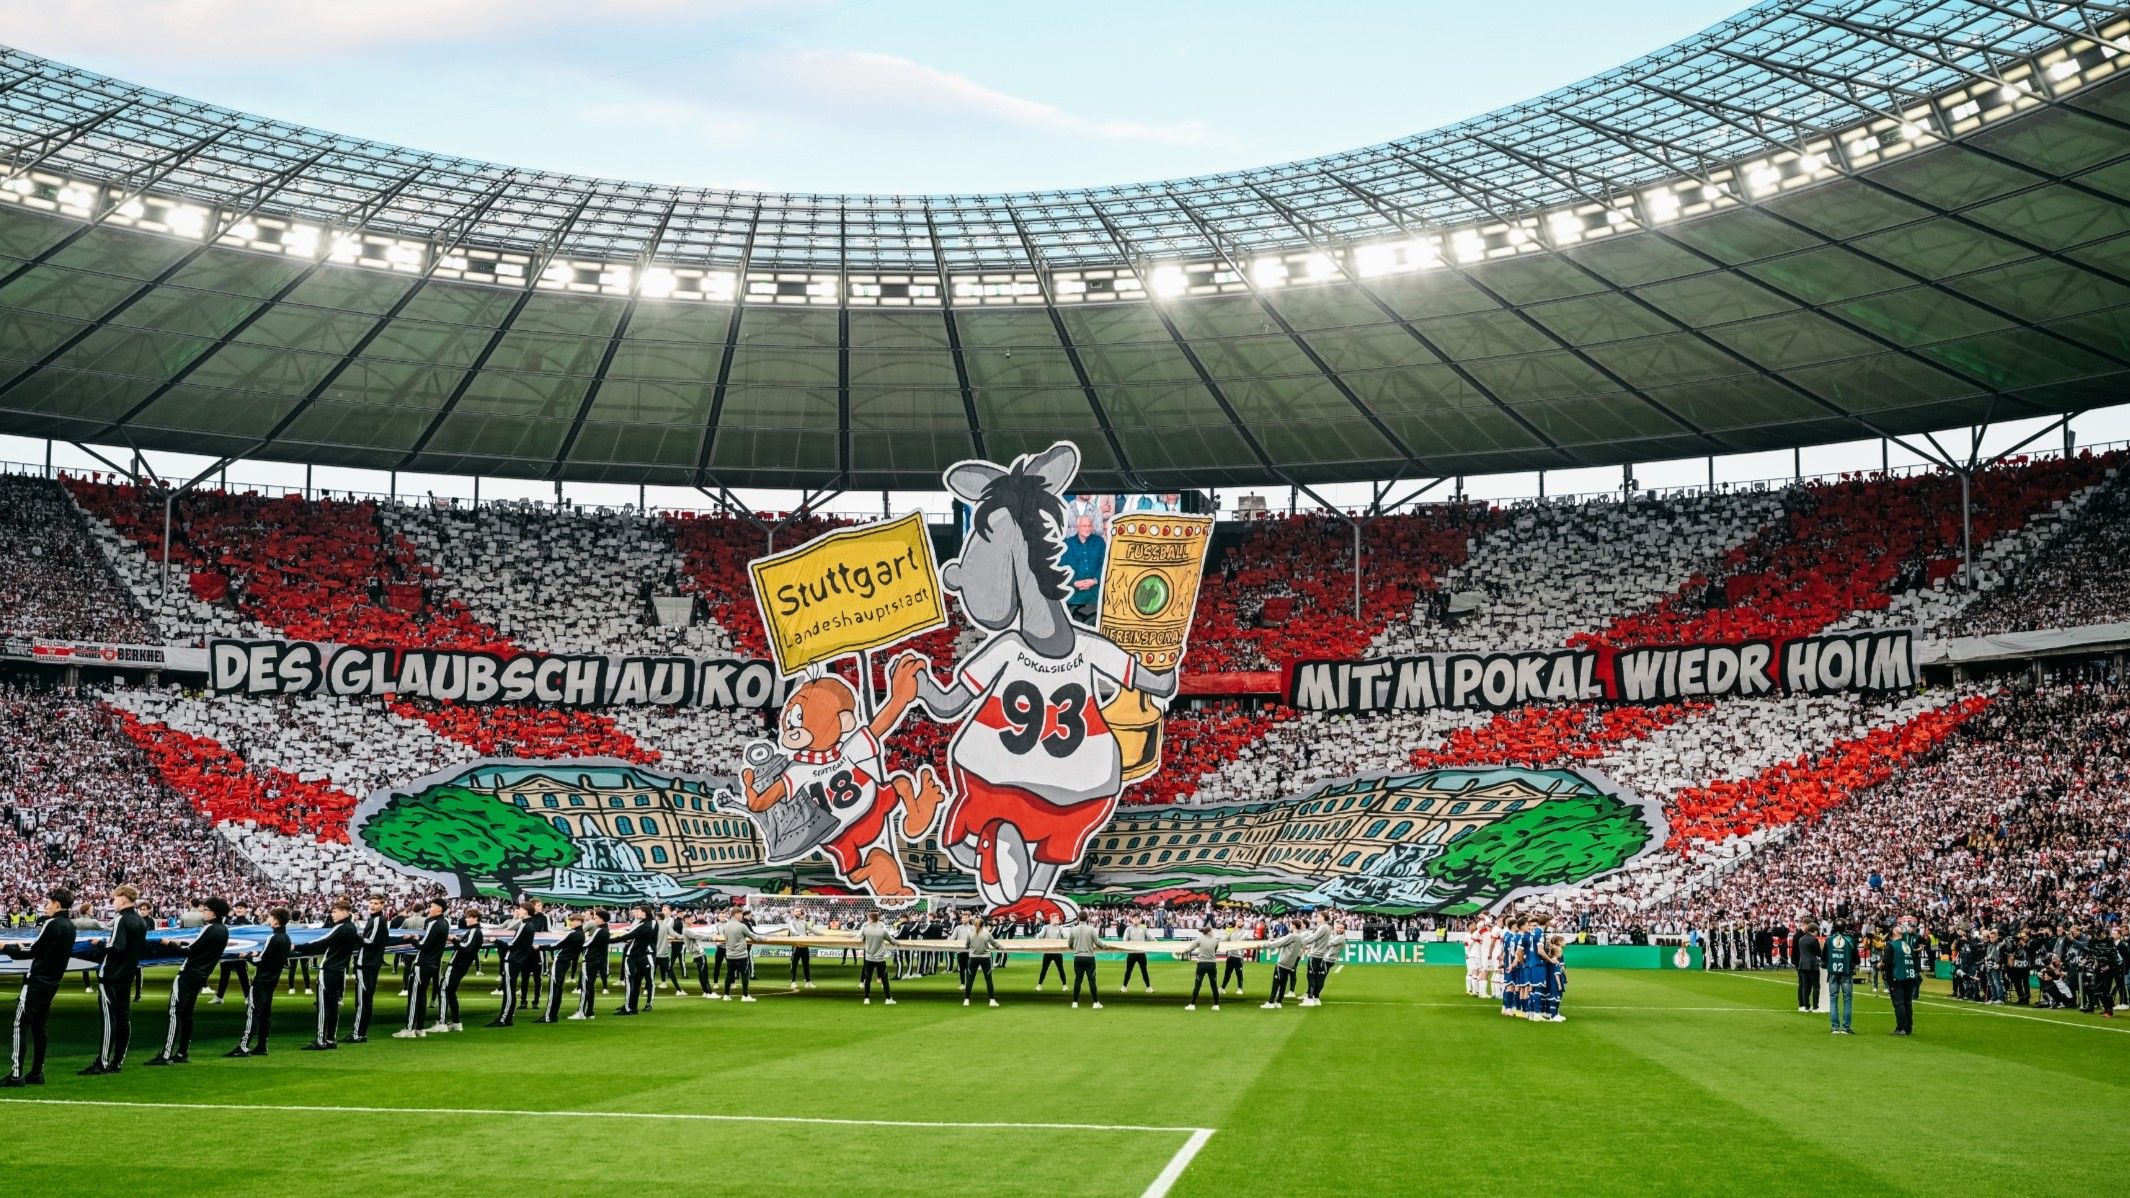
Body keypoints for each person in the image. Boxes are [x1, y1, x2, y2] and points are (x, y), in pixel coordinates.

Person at [1, 886, 74, 1086]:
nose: (46, 907)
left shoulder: (52, 924)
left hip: (37, 982)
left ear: (57, 904)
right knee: (40, 1027)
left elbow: (32, 952)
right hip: (52, 982)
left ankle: (16, 1075)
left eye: (48, 903)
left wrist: (5, 947)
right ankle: (36, 1072)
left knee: (20, 1024)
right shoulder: (70, 925)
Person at [146, 896, 231, 1065]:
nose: (203, 912)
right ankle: (182, 1052)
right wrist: (181, 942)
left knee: (174, 1012)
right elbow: (199, 946)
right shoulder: (223, 930)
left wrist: (170, 943)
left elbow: (190, 952)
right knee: (187, 1015)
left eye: (206, 910)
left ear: (213, 913)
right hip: (201, 976)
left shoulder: (209, 928)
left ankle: (166, 1054)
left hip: (188, 973)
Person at [78, 883, 148, 1076]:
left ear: (123, 898)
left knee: (109, 1020)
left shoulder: (121, 919)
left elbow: (116, 947)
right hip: (127, 974)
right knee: (124, 1018)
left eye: (115, 898)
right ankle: (117, 1061)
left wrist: (99, 944)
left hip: (111, 975)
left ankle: (102, 1062)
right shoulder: (141, 921)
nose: (113, 902)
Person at [291, 898, 362, 1050]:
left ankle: (320, 1040)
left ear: (344, 912)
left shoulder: (341, 927)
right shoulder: (352, 928)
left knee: (323, 1006)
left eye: (335, 912)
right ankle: (330, 1039)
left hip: (329, 970)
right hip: (340, 971)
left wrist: (297, 947)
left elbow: (322, 941)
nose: (332, 915)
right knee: (334, 1006)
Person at [227, 908, 291, 1057]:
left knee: (253, 1012)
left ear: (276, 920)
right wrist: (258, 954)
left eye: (270, 916)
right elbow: (271, 956)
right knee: (265, 1013)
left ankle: (244, 1046)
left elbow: (260, 961)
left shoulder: (272, 937)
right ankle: (262, 1045)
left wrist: (247, 956)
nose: (268, 919)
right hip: (273, 980)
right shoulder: (286, 938)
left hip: (261, 980)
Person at [396, 899, 449, 1039]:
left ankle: (409, 1029)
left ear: (439, 909)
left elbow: (423, 946)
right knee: (422, 996)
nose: (429, 909)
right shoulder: (445, 923)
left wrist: (412, 939)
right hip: (433, 964)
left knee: (413, 997)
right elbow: (431, 942)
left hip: (423, 964)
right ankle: (420, 1028)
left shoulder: (433, 923)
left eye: (431, 906)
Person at [490, 900, 541, 1027]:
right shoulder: (528, 925)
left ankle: (504, 1019)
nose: (518, 911)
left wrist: (496, 940)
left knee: (509, 991)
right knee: (510, 990)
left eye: (520, 909)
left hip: (513, 960)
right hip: (517, 960)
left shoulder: (525, 925)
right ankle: (507, 1018)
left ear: (526, 911)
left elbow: (512, 945)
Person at [350, 895, 391, 1044]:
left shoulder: (377, 920)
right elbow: (384, 940)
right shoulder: (377, 920)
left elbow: (370, 942)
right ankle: (361, 1033)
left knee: (362, 1001)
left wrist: (354, 935)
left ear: (382, 905)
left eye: (375, 903)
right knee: (366, 1000)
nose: (372, 906)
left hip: (366, 964)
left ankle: (357, 1034)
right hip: (372, 964)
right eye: (371, 903)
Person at [537, 913, 587, 1024]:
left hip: (560, 962)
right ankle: (553, 1015)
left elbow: (556, 945)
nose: (571, 923)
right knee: (558, 989)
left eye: (573, 921)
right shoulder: (582, 935)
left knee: (553, 990)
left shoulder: (573, 934)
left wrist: (539, 947)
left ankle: (548, 1016)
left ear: (579, 921)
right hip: (566, 962)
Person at [439, 910, 483, 1033]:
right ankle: (456, 1022)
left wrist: (454, 940)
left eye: (468, 917)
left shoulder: (475, 931)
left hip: (457, 965)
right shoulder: (474, 931)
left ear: (475, 918)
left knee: (443, 989)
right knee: (451, 992)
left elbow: (466, 948)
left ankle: (441, 1023)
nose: (465, 919)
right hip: (461, 966)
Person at [1060, 513, 1105, 620]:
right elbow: (1062, 567)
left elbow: (1104, 564)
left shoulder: (1099, 542)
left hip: (1095, 595)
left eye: (1089, 526)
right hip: (1074, 596)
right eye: (1084, 526)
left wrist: (1095, 580)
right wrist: (1074, 582)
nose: (1087, 528)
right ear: (1077, 527)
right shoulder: (1067, 544)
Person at [615, 903, 656, 1015]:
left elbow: (630, 935)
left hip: (646, 954)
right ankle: (632, 1006)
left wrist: (611, 940)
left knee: (647, 979)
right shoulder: (641, 922)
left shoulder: (649, 923)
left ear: (644, 912)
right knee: (636, 982)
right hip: (642, 953)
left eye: (638, 911)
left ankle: (646, 1004)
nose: (635, 913)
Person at [1884, 917, 1922, 1036]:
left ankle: (1901, 1028)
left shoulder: (1891, 945)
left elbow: (1887, 962)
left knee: (1899, 1004)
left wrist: (1880, 965)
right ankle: (1908, 1027)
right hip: (1909, 978)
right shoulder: (1908, 946)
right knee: (1908, 1003)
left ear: (1894, 933)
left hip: (1897, 977)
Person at [212, 900, 255, 1006]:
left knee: (243, 976)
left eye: (241, 908)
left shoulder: (249, 924)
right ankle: (219, 997)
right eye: (237, 907)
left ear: (246, 910)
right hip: (229, 953)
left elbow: (250, 940)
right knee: (224, 976)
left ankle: (247, 997)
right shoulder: (230, 922)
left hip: (240, 954)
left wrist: (246, 953)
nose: (239, 909)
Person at [1824, 920, 1858, 1035]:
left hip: (1833, 972)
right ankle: (1845, 1028)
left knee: (1833, 999)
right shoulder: (1850, 940)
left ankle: (1834, 1027)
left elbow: (1824, 957)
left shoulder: (1829, 940)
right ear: (1845, 928)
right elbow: (1857, 959)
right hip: (1846, 972)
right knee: (1847, 1000)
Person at [575, 909, 610, 1020]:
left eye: (596, 918)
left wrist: (573, 945)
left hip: (591, 960)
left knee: (586, 987)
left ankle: (581, 1012)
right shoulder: (605, 930)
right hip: (597, 960)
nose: (594, 920)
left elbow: (587, 944)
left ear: (601, 919)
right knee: (590, 986)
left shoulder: (600, 931)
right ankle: (590, 1011)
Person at [716, 909, 758, 1001]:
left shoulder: (726, 926)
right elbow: (754, 937)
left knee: (729, 974)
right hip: (741, 955)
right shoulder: (742, 926)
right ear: (736, 914)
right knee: (745, 974)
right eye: (741, 914)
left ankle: (726, 995)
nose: (742, 916)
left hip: (730, 954)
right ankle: (745, 996)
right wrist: (765, 938)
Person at [1262, 923, 1305, 1009]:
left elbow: (1279, 943)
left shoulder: (1292, 936)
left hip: (1283, 962)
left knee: (1276, 982)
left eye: (1291, 925)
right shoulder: (1300, 937)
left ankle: (1271, 1002)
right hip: (1290, 963)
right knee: (1283, 983)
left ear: (1293, 926)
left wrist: (1265, 945)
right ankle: (1279, 1002)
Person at [1067, 910, 1103, 1009]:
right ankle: (1095, 1003)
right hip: (1089, 958)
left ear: (1078, 918)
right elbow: (1098, 942)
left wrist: (1073, 947)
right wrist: (1105, 946)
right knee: (1092, 980)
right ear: (1087, 918)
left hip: (1077, 957)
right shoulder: (1091, 929)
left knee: (1078, 980)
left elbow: (1069, 943)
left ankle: (1075, 1002)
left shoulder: (1073, 929)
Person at [858, 910, 895, 1005]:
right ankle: (888, 999)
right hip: (880, 958)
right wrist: (899, 943)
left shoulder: (866, 929)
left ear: (870, 919)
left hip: (869, 958)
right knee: (885, 979)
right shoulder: (882, 930)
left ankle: (866, 999)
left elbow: (861, 939)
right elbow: (892, 940)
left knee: (868, 978)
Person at [962, 915, 999, 1008]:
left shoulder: (970, 934)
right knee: (988, 979)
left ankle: (966, 1000)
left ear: (974, 925)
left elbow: (966, 945)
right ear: (983, 925)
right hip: (985, 958)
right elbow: (995, 944)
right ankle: (992, 1000)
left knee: (970, 979)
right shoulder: (987, 934)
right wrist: (1003, 948)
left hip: (973, 958)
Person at [1183, 924, 1222, 1011]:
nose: (1213, 932)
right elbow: (1215, 951)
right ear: (1209, 932)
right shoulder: (1216, 940)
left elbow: (1190, 948)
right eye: (1212, 931)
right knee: (1214, 985)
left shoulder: (1200, 938)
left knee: (1198, 984)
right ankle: (1216, 1005)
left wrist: (1183, 951)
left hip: (1202, 964)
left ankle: (1192, 1004)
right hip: (1212, 964)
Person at [1535, 920, 1566, 1022]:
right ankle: (1553, 1014)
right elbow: (1560, 970)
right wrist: (1563, 980)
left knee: (1547, 994)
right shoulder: (1555, 959)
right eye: (1563, 941)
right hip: (1555, 980)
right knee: (1555, 995)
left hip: (1549, 978)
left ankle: (1547, 1012)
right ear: (1559, 943)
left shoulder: (1551, 956)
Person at [1119, 914, 1153, 994]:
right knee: (1128, 971)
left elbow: (1150, 937)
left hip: (1141, 952)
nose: (1136, 920)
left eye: (1137, 918)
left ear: (1140, 920)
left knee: (1144, 970)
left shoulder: (1143, 928)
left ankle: (1148, 987)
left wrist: (1158, 943)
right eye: (1134, 918)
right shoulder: (1128, 929)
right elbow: (1124, 940)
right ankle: (1124, 987)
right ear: (1131, 919)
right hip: (1132, 953)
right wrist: (1129, 942)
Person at [1793, 923, 1822, 1013]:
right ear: (1815, 930)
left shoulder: (1801, 939)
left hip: (1803, 965)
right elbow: (1819, 953)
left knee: (1806, 986)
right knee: (1816, 986)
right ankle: (1815, 1007)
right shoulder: (1814, 940)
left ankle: (1806, 1006)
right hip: (1813, 965)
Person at [1035, 916, 1068, 992]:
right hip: (1048, 951)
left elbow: (1066, 936)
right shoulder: (1046, 927)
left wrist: (1062, 929)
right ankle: (1039, 985)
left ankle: (1064, 985)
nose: (1058, 919)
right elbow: (1040, 935)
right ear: (1051, 919)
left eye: (1058, 918)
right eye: (1056, 918)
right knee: (1044, 969)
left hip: (1057, 952)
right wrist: (1037, 937)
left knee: (1061, 969)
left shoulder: (1060, 928)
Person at [787, 909, 815, 991]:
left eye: (799, 911)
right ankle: (793, 981)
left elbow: (813, 930)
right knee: (794, 965)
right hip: (796, 946)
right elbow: (793, 931)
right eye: (796, 911)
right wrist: (801, 936)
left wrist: (824, 935)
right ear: (793, 912)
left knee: (806, 965)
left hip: (805, 946)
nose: (798, 912)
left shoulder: (804, 922)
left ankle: (808, 982)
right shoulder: (791, 922)